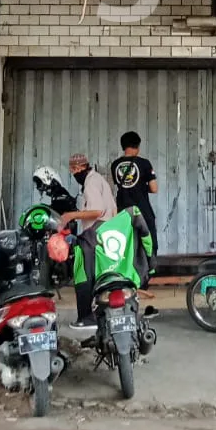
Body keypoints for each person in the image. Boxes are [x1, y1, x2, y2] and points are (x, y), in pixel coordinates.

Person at [57, 153, 116, 335]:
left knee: (82, 273)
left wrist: (71, 215)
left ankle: (86, 317)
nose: (74, 173)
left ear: (79, 168)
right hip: (106, 232)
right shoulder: (98, 180)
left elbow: (97, 211)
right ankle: (98, 314)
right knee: (99, 276)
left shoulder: (91, 183)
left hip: (94, 233)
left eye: (74, 170)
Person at [110, 132, 159, 261]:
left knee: (127, 243)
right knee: (149, 241)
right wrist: (141, 187)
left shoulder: (115, 165)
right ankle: (150, 265)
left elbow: (119, 186)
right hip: (142, 209)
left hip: (123, 210)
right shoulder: (144, 163)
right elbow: (154, 188)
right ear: (137, 146)